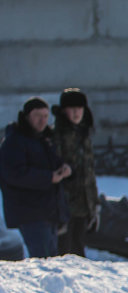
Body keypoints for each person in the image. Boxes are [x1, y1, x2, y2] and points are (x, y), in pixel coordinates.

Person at [0, 97, 70, 258]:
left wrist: (65, 169)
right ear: (26, 116)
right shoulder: (14, 141)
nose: (42, 120)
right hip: (31, 212)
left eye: (46, 116)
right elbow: (14, 174)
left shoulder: (45, 139)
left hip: (49, 210)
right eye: (38, 116)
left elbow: (54, 162)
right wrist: (49, 177)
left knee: (52, 260)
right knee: (44, 260)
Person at [51, 88, 99, 257]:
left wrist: (94, 205)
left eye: (79, 108)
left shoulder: (83, 134)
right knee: (64, 254)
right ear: (64, 111)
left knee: (78, 251)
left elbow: (89, 172)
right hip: (64, 205)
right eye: (72, 108)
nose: (76, 112)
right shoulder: (57, 135)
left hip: (83, 205)